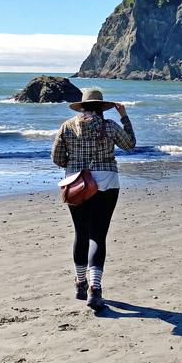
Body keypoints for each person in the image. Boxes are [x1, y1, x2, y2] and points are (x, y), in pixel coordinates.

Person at [50, 89, 136, 311]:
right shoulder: (110, 126)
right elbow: (130, 145)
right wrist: (124, 116)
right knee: (98, 234)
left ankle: (80, 283)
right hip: (106, 181)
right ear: (101, 107)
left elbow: (57, 158)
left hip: (76, 183)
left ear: (82, 106)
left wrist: (75, 165)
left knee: (80, 233)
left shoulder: (67, 126)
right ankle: (95, 289)